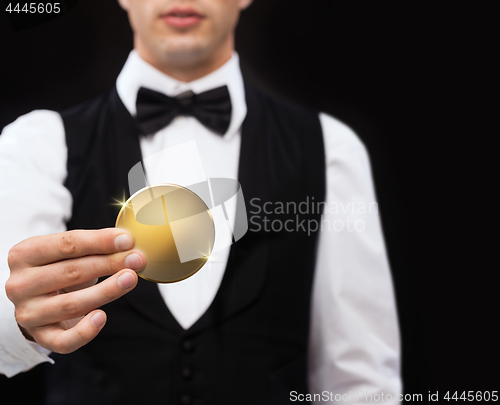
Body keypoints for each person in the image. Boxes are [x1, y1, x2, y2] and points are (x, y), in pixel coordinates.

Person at [0, 0, 401, 403]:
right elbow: (4, 340)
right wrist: (21, 323)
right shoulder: (36, 144)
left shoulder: (330, 147)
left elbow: (361, 382)